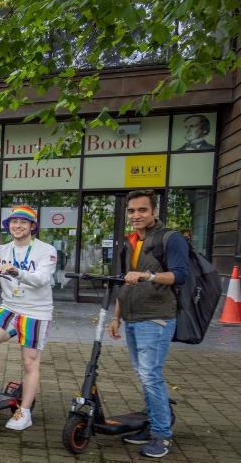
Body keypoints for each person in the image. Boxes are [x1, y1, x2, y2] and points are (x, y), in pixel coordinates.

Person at [108, 189, 187, 458]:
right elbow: (123, 281)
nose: (136, 215)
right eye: (131, 211)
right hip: (131, 317)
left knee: (150, 376)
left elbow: (180, 276)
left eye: (142, 210)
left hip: (156, 318)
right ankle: (153, 425)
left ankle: (162, 436)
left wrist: (147, 275)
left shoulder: (170, 238)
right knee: (145, 376)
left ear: (154, 212)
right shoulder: (130, 241)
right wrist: (116, 317)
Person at [0, 205, 56, 431]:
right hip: (10, 307)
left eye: (24, 222)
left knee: (29, 362)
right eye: (14, 222)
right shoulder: (3, 249)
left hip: (36, 311)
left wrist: (16, 271)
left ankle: (24, 412)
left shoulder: (46, 250)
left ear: (32, 226)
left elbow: (42, 279)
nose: (18, 226)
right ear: (9, 226)